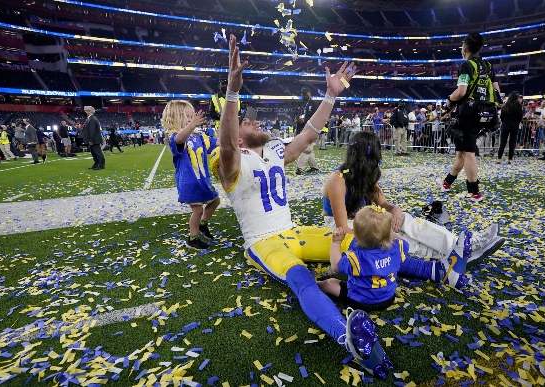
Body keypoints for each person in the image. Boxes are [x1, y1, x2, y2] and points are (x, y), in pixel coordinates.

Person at [211, 34, 393, 378]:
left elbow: (309, 133)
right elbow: (228, 143)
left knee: (359, 236)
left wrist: (329, 95)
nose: (256, 121)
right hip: (264, 243)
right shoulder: (232, 161)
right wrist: (232, 92)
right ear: (237, 136)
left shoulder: (276, 151)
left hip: (294, 232)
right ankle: (348, 337)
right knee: (303, 282)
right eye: (249, 123)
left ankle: (440, 269)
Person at [322, 131, 505, 267]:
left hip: (363, 219)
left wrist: (395, 210)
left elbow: (384, 204)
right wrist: (385, 232)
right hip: (340, 228)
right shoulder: (337, 181)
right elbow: (343, 227)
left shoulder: (365, 175)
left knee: (406, 221)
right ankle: (455, 253)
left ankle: (460, 245)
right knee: (395, 237)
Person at [318, 206, 471, 312]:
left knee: (330, 282)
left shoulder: (356, 257)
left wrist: (336, 243)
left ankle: (315, 285)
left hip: (362, 301)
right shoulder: (398, 247)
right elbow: (401, 240)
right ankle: (441, 270)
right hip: (388, 298)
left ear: (355, 234)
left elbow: (336, 266)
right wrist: (390, 233)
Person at [441, 32, 501, 201]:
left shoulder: (467, 65)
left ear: (465, 48)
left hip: (469, 114)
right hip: (485, 113)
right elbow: (497, 91)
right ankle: (447, 183)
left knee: (468, 153)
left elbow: (461, 91)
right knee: (461, 151)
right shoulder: (488, 65)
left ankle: (474, 192)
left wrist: (448, 102)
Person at [161, 100, 220, 250]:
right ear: (173, 118)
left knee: (215, 201)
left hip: (202, 179)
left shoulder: (199, 136)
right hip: (189, 181)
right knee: (198, 210)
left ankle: (203, 224)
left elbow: (215, 142)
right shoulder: (174, 136)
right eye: (186, 116)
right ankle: (193, 237)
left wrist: (232, 140)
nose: (190, 119)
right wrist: (192, 125)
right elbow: (179, 139)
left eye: (191, 116)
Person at [294, 87, 320, 175]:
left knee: (306, 149)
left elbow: (316, 117)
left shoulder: (314, 104)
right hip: (300, 129)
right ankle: (314, 167)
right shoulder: (300, 104)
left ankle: (299, 168)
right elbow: (295, 114)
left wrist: (305, 120)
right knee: (308, 149)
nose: (303, 96)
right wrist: (296, 119)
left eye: (305, 94)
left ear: (309, 93)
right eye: (302, 94)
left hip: (310, 129)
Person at [497, 91, 523, 164]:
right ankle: (510, 159)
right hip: (514, 126)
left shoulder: (505, 106)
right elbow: (520, 117)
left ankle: (499, 159)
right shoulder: (519, 106)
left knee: (503, 143)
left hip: (505, 125)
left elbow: (502, 117)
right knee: (512, 143)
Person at [82, 106, 105, 170]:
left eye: (86, 110)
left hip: (94, 139)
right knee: (94, 153)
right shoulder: (91, 118)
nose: (85, 112)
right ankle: (97, 164)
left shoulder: (92, 119)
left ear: (89, 111)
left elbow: (92, 130)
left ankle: (101, 165)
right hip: (94, 139)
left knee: (98, 152)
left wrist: (91, 140)